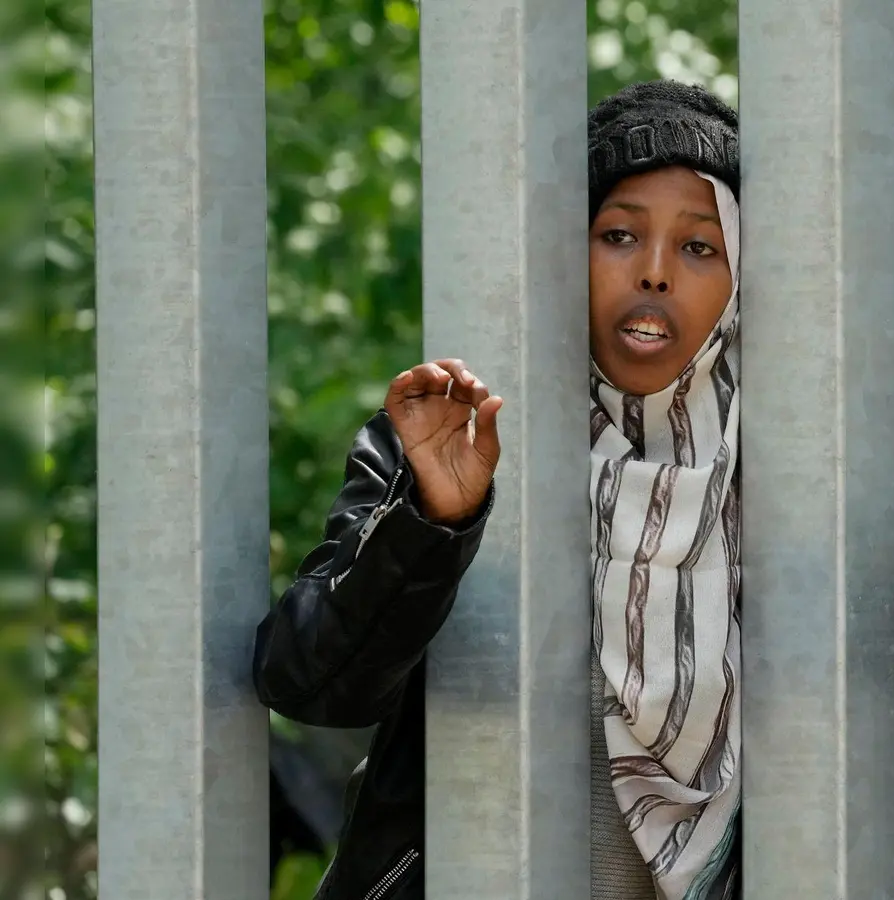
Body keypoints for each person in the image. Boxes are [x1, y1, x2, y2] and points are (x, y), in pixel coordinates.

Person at [252, 79, 744, 900]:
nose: (655, 272)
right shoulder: (450, 439)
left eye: (700, 247)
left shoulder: (790, 478)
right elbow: (309, 683)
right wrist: (434, 519)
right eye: (618, 234)